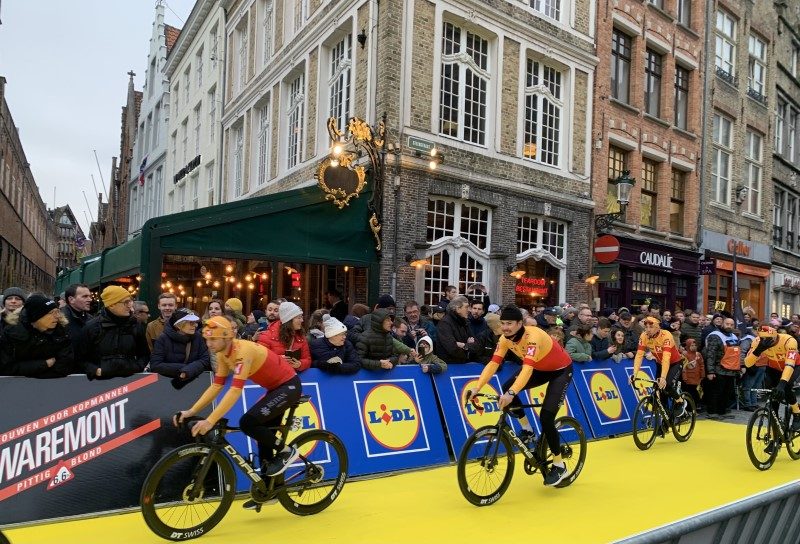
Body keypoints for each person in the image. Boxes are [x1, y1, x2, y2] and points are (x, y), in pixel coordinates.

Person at [175, 316, 302, 510]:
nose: (208, 344)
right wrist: (191, 410)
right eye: (207, 340)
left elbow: (235, 390)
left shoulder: (242, 351)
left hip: (288, 386)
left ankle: (286, 452)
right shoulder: (222, 354)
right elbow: (217, 386)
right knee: (262, 434)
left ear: (226, 337)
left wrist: (210, 420)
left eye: (213, 339)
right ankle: (269, 489)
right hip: (274, 389)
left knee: (248, 422)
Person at [465, 305, 573, 487]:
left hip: (560, 371)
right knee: (507, 386)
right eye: (503, 323)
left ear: (519, 323)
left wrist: (511, 394)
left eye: (509, 324)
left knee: (547, 417)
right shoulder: (504, 339)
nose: (505, 327)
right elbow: (493, 363)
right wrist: (477, 387)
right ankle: (528, 429)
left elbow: (527, 369)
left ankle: (559, 464)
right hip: (539, 368)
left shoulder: (533, 337)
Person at [77, 286, 149, 380]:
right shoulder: (92, 327)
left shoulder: (135, 325)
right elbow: (80, 358)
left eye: (130, 301)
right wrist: (96, 371)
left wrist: (137, 367)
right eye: (126, 302)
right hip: (98, 385)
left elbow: (144, 354)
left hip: (130, 383)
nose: (130, 305)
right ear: (111, 305)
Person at [0, 294, 75, 378]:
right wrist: (45, 364)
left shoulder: (61, 331)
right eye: (51, 313)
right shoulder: (11, 333)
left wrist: (31, 372)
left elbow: (65, 366)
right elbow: (7, 367)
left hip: (53, 386)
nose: (57, 316)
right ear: (35, 317)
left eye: (57, 311)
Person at [744, 325, 800, 435]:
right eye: (763, 339)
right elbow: (747, 363)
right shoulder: (757, 341)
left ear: (776, 336)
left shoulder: (789, 340)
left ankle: (797, 412)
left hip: (794, 365)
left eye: (770, 339)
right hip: (773, 367)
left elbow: (789, 364)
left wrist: (782, 384)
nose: (767, 342)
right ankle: (775, 436)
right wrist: (758, 350)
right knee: (774, 399)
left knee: (786, 386)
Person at [629, 315, 687, 416]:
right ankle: (665, 422)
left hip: (675, 363)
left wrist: (663, 377)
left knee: (667, 384)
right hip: (660, 363)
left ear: (658, 327)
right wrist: (634, 374)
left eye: (651, 327)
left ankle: (680, 401)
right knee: (659, 390)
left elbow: (666, 357)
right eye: (646, 327)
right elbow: (639, 355)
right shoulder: (644, 336)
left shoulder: (666, 335)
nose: (648, 329)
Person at [149, 309, 211, 387]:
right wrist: (184, 369)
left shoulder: (198, 337)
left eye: (195, 322)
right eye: (191, 323)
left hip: (193, 384)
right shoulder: (163, 339)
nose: (196, 325)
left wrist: (189, 370)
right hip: (168, 384)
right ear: (179, 325)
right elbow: (155, 365)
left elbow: (205, 360)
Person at [256, 302, 311, 372]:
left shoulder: (300, 337)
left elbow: (307, 360)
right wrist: (278, 359)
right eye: (299, 318)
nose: (302, 320)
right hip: (273, 379)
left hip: (294, 378)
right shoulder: (266, 336)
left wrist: (300, 364)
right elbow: (259, 360)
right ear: (289, 320)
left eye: (301, 317)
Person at [435, 295, 480, 363]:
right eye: (466, 307)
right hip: (449, 366)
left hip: (462, 364)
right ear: (458, 309)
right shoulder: (445, 323)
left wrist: (463, 345)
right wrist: (467, 351)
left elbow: (476, 345)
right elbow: (452, 348)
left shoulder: (465, 322)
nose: (469, 310)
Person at [681, 339, 705, 410]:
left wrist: (702, 375)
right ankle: (689, 408)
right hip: (688, 378)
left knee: (696, 392)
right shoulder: (685, 354)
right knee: (690, 393)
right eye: (692, 345)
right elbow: (683, 367)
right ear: (688, 346)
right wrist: (684, 377)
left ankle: (695, 406)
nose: (694, 347)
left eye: (695, 345)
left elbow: (701, 365)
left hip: (696, 378)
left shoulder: (698, 354)